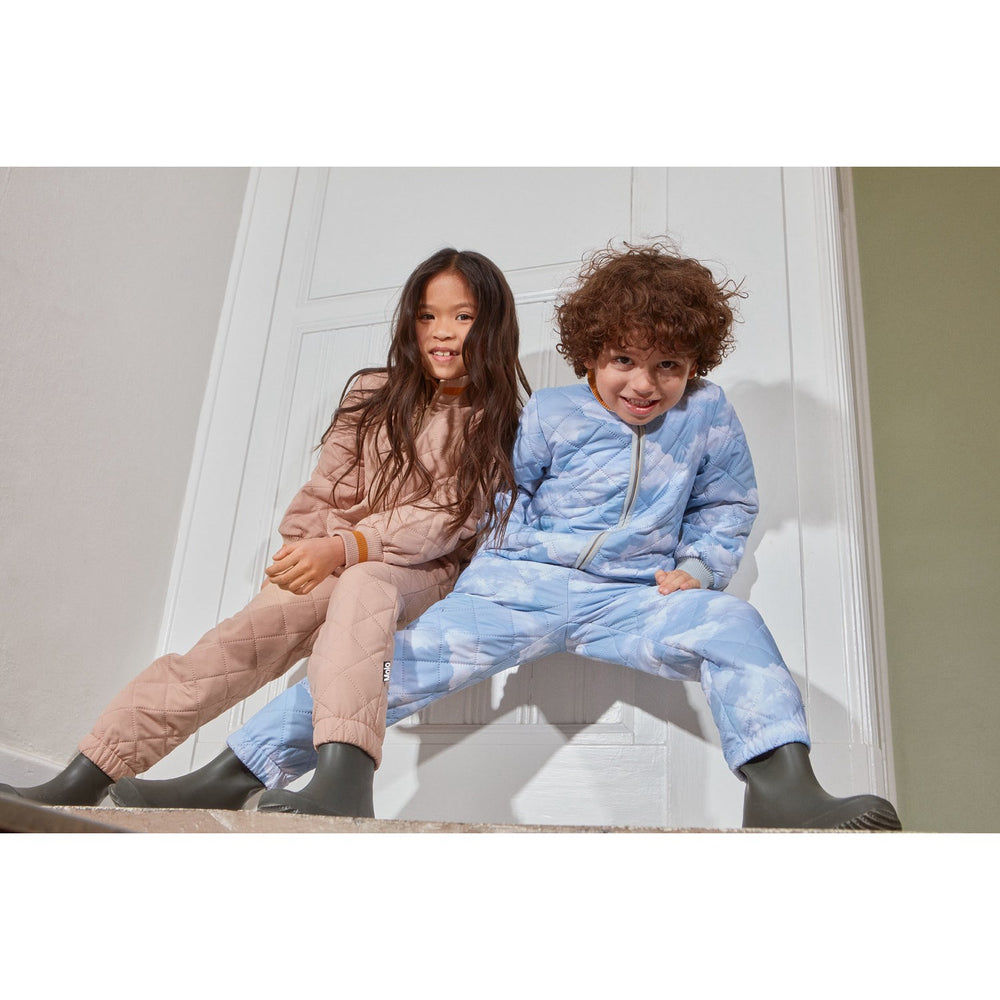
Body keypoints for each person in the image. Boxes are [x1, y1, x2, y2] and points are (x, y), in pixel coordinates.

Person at [156, 239, 898, 830]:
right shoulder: (550, 412)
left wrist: (700, 569)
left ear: (695, 362)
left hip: (629, 597)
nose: (644, 385)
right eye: (623, 361)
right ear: (590, 354)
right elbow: (507, 494)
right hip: (522, 587)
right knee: (381, 664)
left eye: (668, 366)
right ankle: (233, 771)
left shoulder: (707, 414)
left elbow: (727, 503)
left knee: (733, 625)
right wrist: (492, 573)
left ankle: (782, 790)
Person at [0, 247, 531, 816]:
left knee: (367, 584)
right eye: (427, 315)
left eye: (462, 316)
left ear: (491, 324)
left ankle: (345, 782)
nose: (441, 331)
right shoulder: (372, 393)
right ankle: (89, 772)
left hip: (419, 568)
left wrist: (346, 546)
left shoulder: (498, 419)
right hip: (334, 553)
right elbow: (326, 489)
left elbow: (446, 518)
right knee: (237, 642)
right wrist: (295, 557)